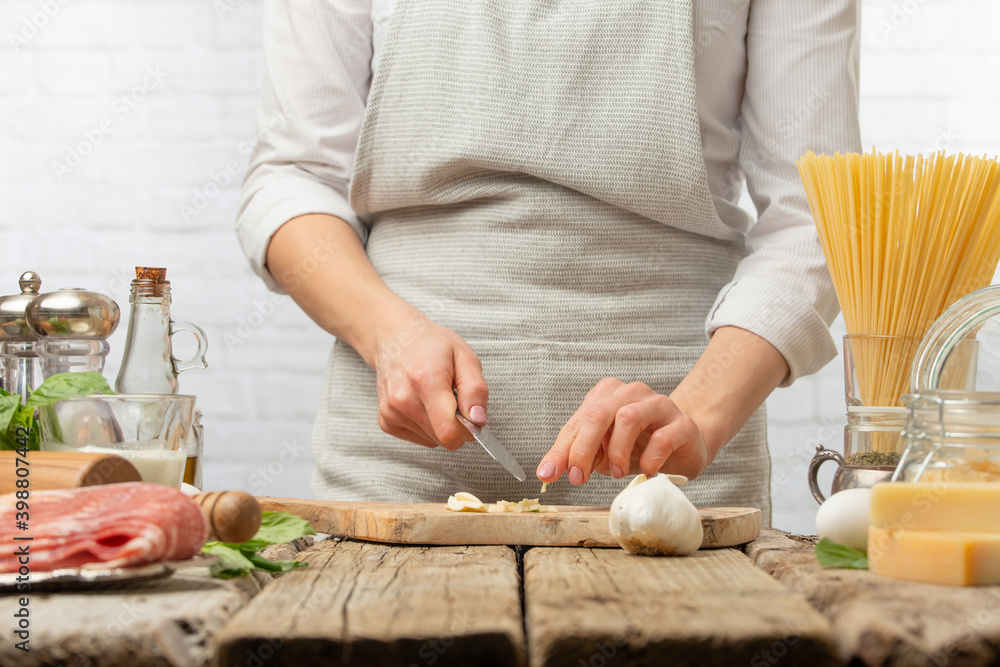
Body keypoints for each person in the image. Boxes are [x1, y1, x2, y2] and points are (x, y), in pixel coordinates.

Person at [236, 0, 861, 525]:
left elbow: (816, 213)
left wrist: (700, 413)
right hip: (396, 469)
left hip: (668, 478)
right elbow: (297, 177)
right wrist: (390, 335)